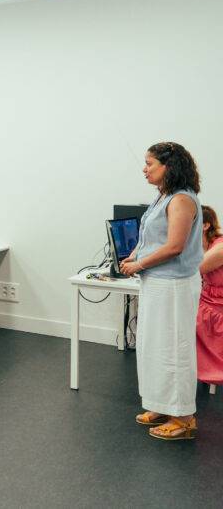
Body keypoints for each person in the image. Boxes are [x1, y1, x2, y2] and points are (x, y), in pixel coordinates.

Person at [121, 142, 203, 441]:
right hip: (158, 282)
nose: (145, 169)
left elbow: (174, 246)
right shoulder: (163, 197)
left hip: (174, 285)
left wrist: (139, 263)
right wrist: (135, 255)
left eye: (150, 163)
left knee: (174, 349)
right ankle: (162, 405)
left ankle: (183, 417)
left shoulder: (181, 200)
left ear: (169, 166)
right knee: (153, 348)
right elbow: (153, 238)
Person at [197, 205, 223, 388]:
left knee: (188, 320)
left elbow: (195, 269)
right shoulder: (203, 245)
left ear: (205, 225)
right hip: (209, 298)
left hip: (218, 304)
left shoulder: (220, 247)